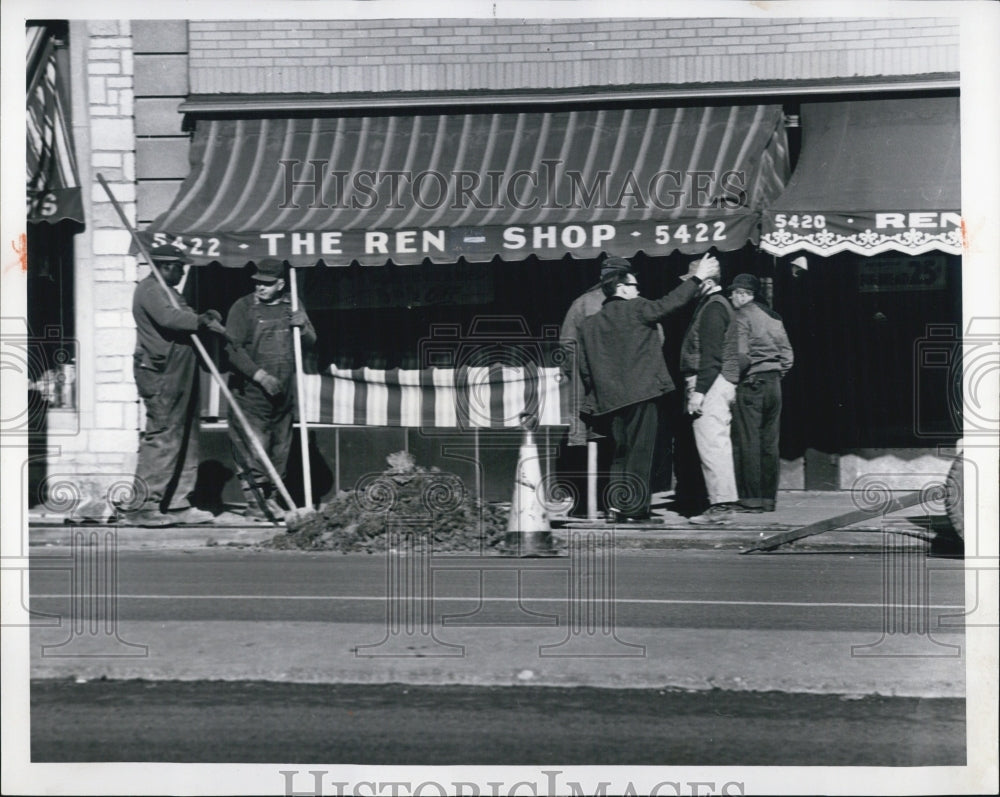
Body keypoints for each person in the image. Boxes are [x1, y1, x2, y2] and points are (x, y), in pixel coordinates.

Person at [577, 255, 719, 522]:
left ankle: (617, 508)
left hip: (609, 398)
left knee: (620, 453)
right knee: (640, 452)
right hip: (642, 392)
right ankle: (636, 511)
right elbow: (670, 304)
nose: (638, 289)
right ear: (622, 289)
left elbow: (584, 368)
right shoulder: (638, 308)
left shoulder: (589, 325)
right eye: (635, 285)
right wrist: (698, 276)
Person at [127, 244, 226, 527]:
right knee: (164, 436)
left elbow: (183, 315)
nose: (182, 272)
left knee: (187, 437)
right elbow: (169, 319)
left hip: (182, 371)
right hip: (161, 374)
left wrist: (204, 318)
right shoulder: (149, 290)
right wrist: (200, 320)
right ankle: (144, 506)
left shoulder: (171, 292)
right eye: (180, 267)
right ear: (167, 266)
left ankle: (179, 502)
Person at [224, 258, 316, 519]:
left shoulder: (293, 305)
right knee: (255, 449)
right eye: (257, 282)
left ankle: (273, 500)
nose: (260, 288)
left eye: (266, 283)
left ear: (281, 284)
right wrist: (261, 376)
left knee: (280, 451)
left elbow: (311, 342)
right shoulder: (242, 308)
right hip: (251, 395)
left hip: (284, 395)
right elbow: (232, 350)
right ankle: (257, 504)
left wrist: (304, 327)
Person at [679, 258, 742, 525]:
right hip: (716, 381)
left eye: (694, 282)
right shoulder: (714, 305)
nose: (690, 287)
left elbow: (711, 357)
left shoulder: (713, 308)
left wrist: (699, 392)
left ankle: (721, 507)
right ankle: (720, 503)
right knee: (715, 443)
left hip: (711, 383)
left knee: (712, 444)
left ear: (706, 283)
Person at [728, 273, 794, 512]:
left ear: (744, 294)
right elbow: (787, 356)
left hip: (751, 382)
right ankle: (768, 499)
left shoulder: (741, 316)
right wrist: (776, 373)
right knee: (770, 443)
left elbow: (742, 356)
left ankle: (750, 499)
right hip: (774, 383)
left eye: (734, 293)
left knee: (748, 441)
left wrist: (732, 379)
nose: (731, 297)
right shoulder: (773, 317)